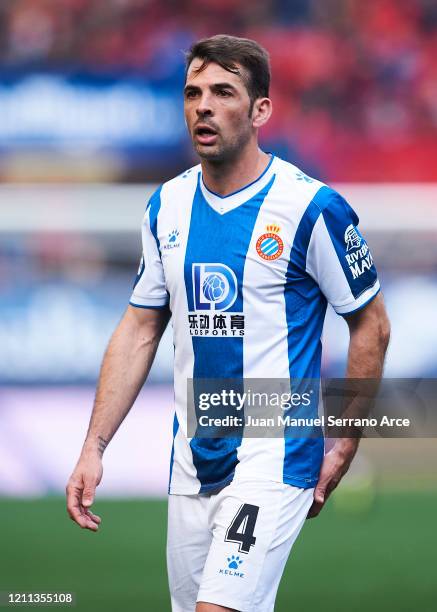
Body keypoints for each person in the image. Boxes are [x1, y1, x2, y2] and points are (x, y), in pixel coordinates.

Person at [66, 34, 390, 612]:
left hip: (277, 447)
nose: (203, 106)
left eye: (222, 92)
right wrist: (94, 446)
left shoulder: (310, 207)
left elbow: (371, 324)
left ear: (261, 109)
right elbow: (141, 328)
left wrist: (346, 436)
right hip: (193, 456)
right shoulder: (165, 206)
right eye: (193, 93)